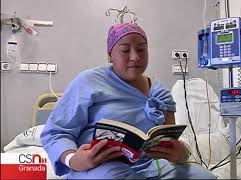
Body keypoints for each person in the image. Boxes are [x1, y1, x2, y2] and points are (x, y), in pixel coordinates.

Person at [40, 22, 217, 179]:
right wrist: (74, 160)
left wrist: (181, 153)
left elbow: (172, 139)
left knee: (203, 176)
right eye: (125, 50)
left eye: (141, 49)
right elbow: (55, 133)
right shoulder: (88, 82)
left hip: (152, 167)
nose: (135, 57)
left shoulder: (159, 91)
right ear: (110, 55)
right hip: (100, 167)